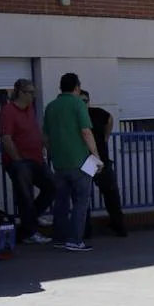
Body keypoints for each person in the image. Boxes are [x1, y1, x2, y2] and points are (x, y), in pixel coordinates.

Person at [43, 73, 102, 252]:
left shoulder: (51, 106)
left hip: (59, 162)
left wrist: (53, 153)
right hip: (80, 162)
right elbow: (86, 131)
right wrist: (96, 155)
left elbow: (44, 136)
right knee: (80, 202)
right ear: (77, 87)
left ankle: (59, 237)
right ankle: (75, 239)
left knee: (61, 201)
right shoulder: (78, 104)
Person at [0, 79, 54, 244]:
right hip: (19, 161)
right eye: (30, 92)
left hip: (36, 159)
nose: (33, 96)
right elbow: (6, 139)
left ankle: (29, 223)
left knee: (52, 187)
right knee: (25, 197)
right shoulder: (8, 111)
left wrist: (47, 146)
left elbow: (36, 131)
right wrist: (18, 161)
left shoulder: (30, 109)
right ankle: (30, 231)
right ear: (20, 93)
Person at [80, 89, 126, 238]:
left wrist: (106, 136)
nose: (83, 104)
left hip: (100, 160)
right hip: (84, 161)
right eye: (80, 101)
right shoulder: (74, 117)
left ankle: (118, 226)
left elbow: (109, 118)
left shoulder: (97, 113)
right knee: (83, 197)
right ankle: (85, 230)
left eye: (85, 100)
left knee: (111, 194)